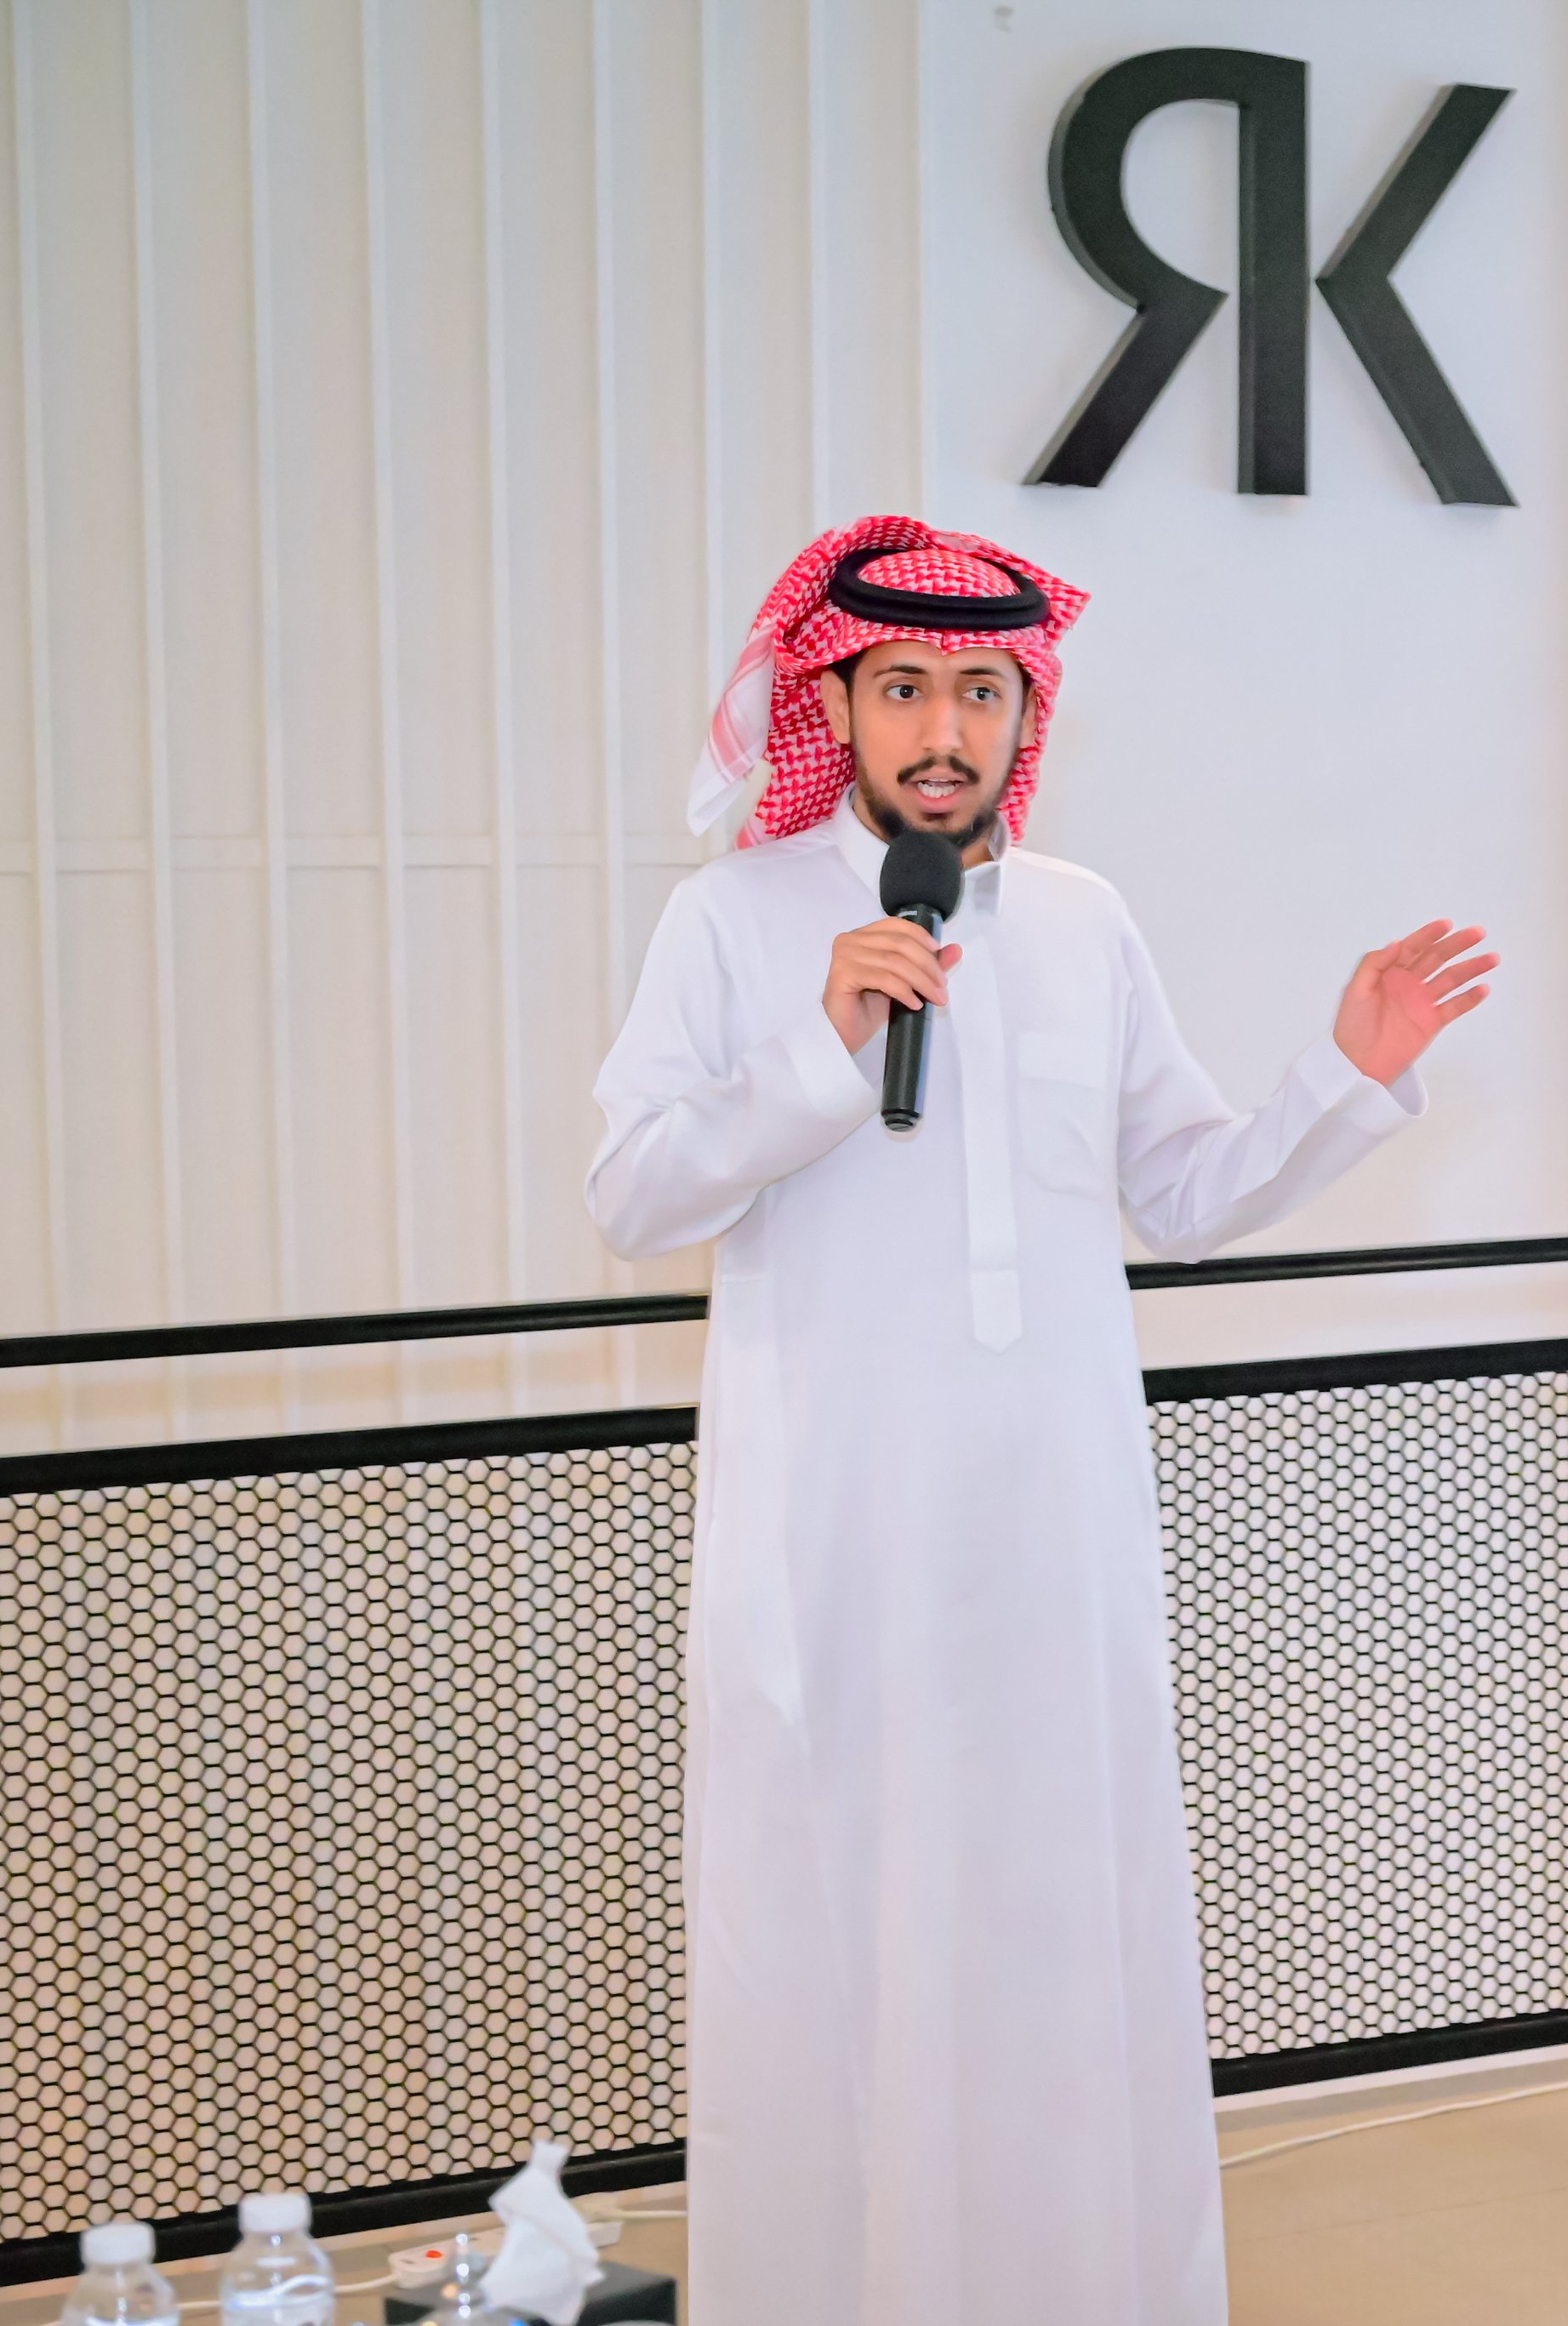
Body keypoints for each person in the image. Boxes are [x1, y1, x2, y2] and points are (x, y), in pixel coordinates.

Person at [585, 515, 1494, 2323]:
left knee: (1064, 1943)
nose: (946, 728)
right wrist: (820, 1046)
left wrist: (1345, 1075)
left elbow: (1184, 1186)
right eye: (905, 687)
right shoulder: (736, 920)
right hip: (837, 1555)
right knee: (844, 1951)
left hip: (1057, 1552)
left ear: (1025, 711)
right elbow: (631, 1194)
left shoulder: (1083, 920)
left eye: (982, 691)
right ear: (834, 705)